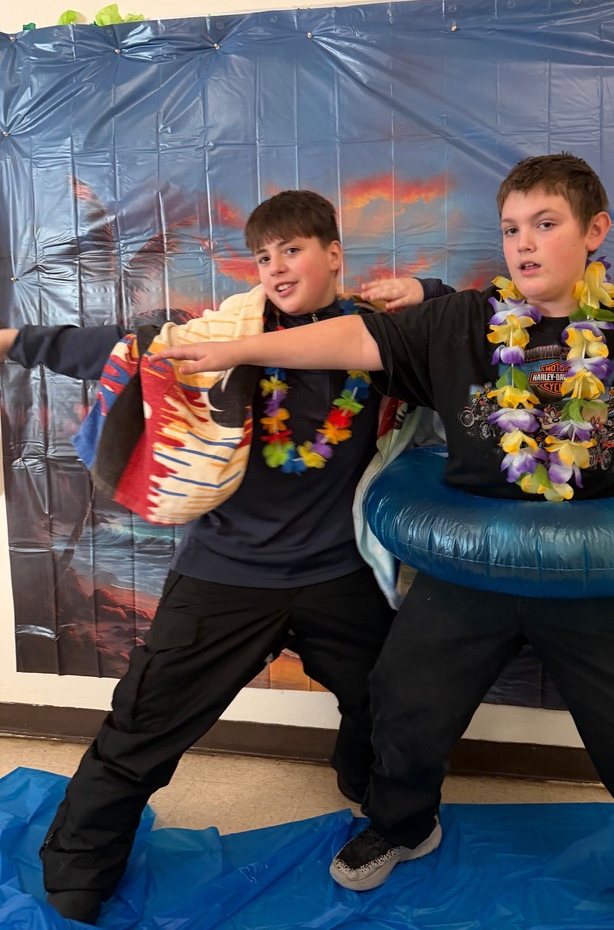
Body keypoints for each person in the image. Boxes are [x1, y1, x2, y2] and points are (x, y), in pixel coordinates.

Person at [156, 155, 614, 930]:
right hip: (470, 570)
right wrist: (242, 350)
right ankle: (404, 825)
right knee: (403, 706)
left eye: (546, 224)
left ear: (595, 231)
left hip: (597, 579)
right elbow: (355, 339)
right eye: (512, 228)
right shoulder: (463, 322)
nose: (524, 244)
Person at [0, 189, 452, 925]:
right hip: (225, 576)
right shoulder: (214, 339)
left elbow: (479, 329)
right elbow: (104, 348)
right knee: (142, 727)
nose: (276, 267)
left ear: (335, 254)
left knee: (393, 701)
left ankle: (372, 792)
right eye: (265, 256)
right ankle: (79, 869)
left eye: (294, 250)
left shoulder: (381, 340)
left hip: (339, 573)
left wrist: (427, 290)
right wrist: (10, 340)